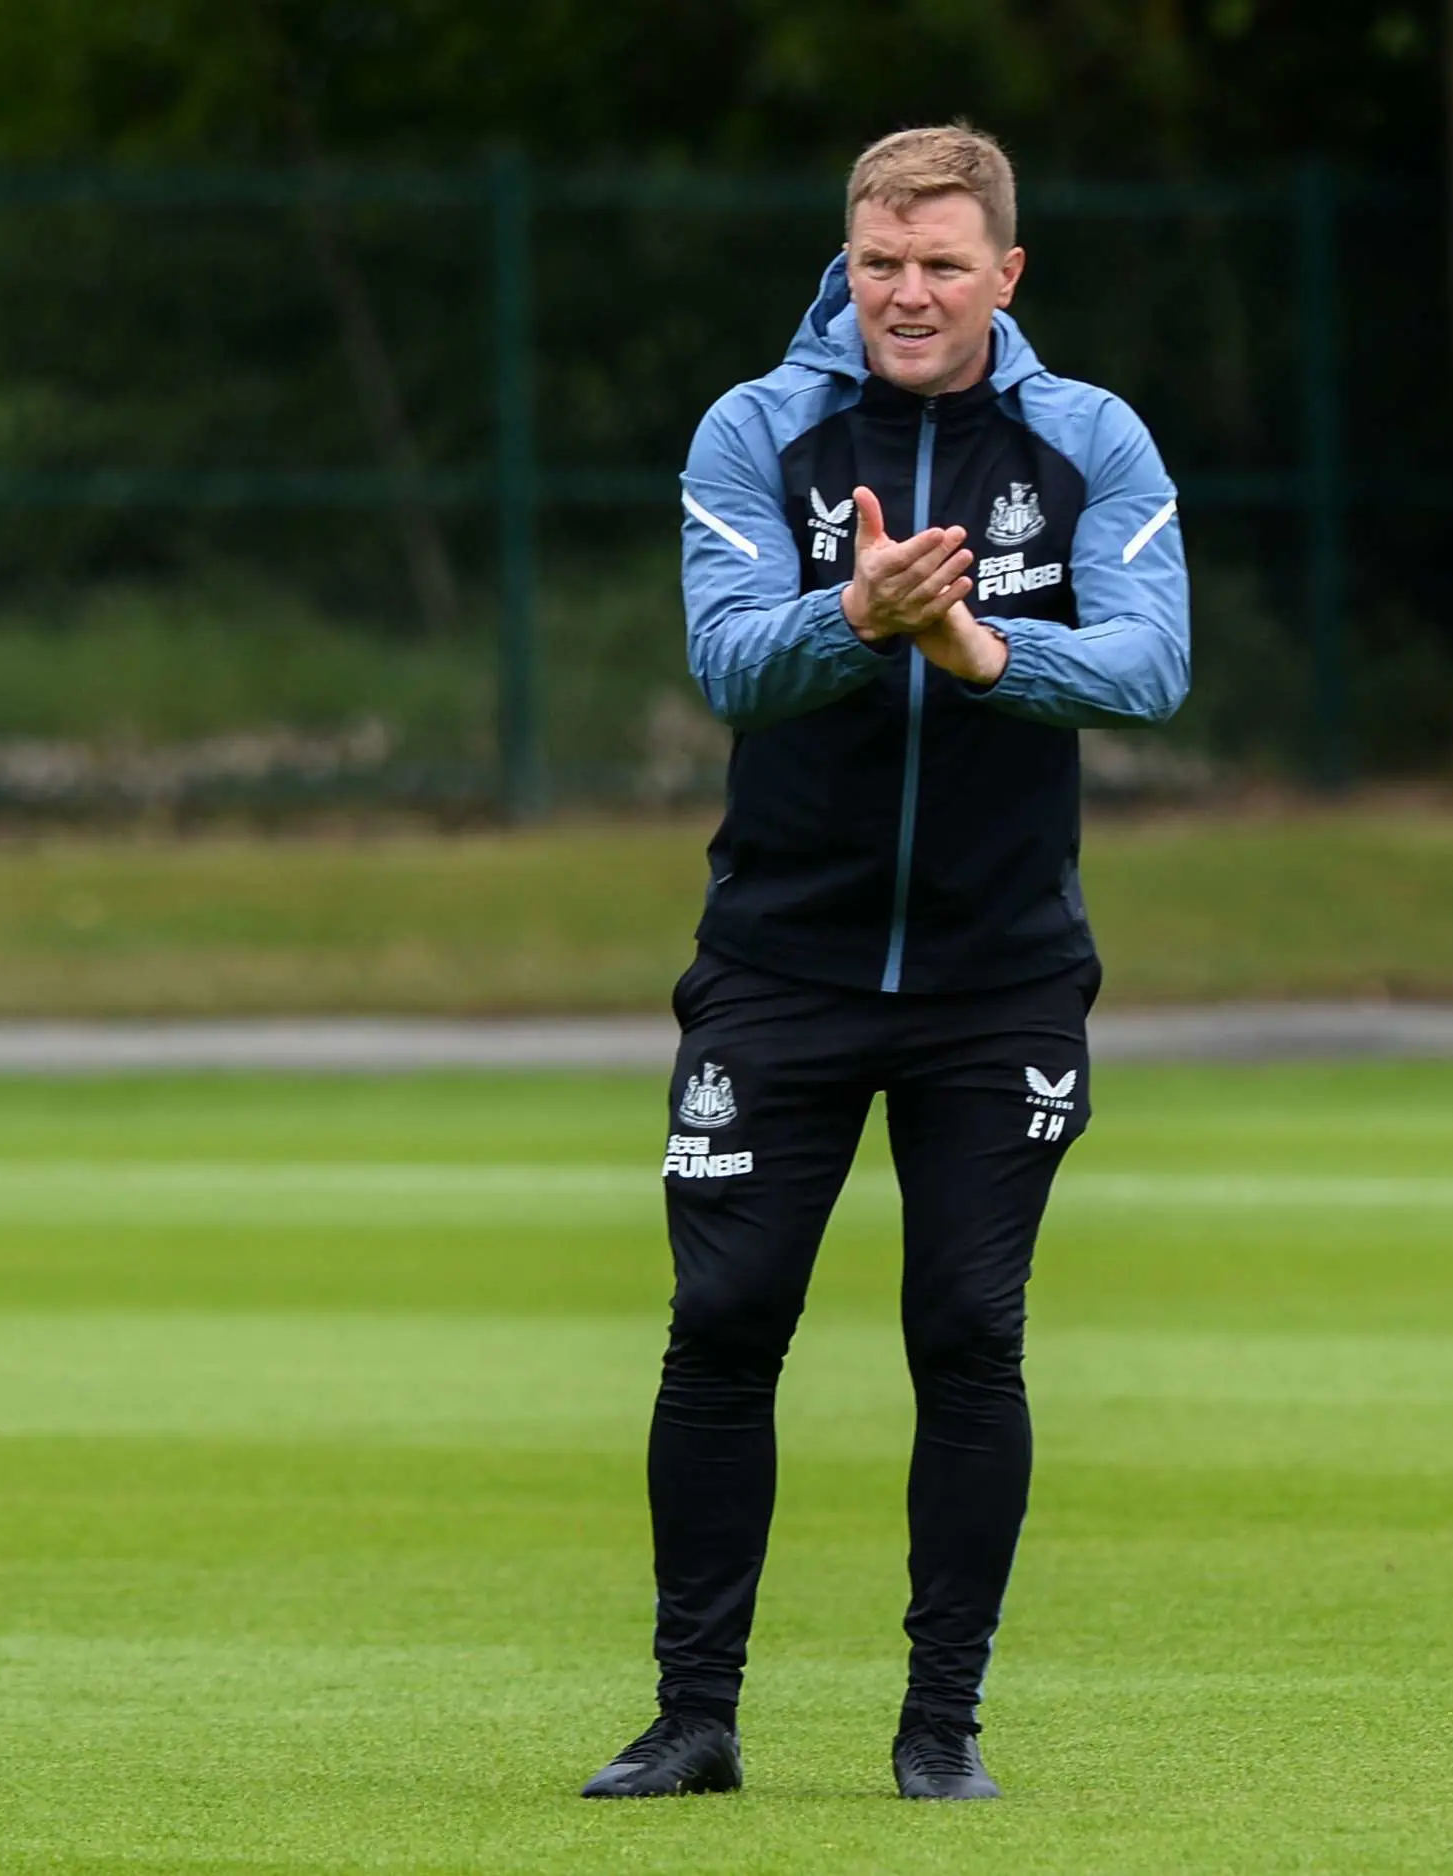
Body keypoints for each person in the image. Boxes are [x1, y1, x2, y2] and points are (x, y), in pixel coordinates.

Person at [578, 122, 1190, 1804]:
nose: (904, 296)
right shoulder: (756, 429)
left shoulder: (1089, 443)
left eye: (938, 264)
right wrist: (852, 620)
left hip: (1001, 980)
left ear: (1005, 272)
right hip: (779, 960)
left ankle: (940, 1733)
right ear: (844, 264)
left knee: (965, 1332)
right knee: (723, 1318)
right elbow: (725, 661)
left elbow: (1148, 668)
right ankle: (692, 1716)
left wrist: (973, 642)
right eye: (877, 264)